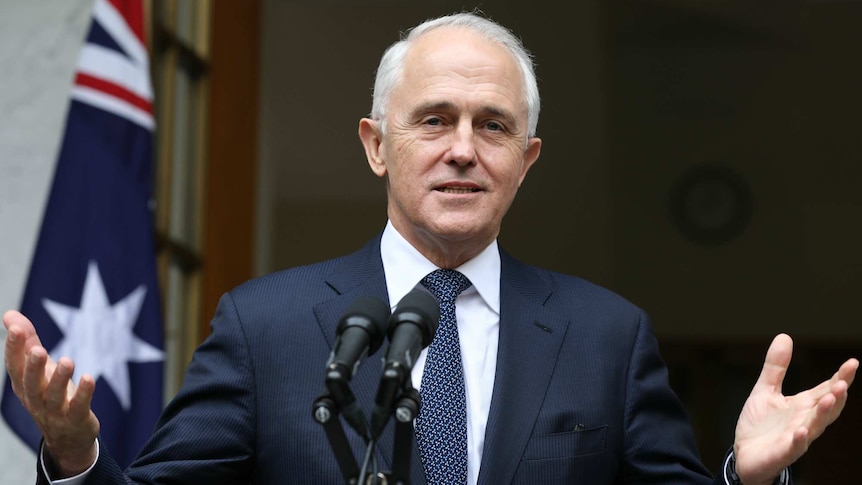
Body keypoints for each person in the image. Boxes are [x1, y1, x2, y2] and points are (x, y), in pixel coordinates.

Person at [4, 11, 858, 485]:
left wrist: (747, 479)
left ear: (526, 163)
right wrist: (76, 456)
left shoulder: (608, 336)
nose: (462, 148)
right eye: (434, 119)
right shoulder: (265, 327)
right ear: (378, 145)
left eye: (493, 126)